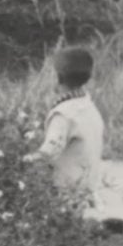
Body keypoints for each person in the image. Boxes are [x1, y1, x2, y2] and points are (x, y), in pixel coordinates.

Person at [32, 46, 107, 197]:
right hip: (86, 189)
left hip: (65, 193)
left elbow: (49, 152)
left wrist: (19, 161)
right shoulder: (89, 107)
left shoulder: (64, 115)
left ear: (58, 77)